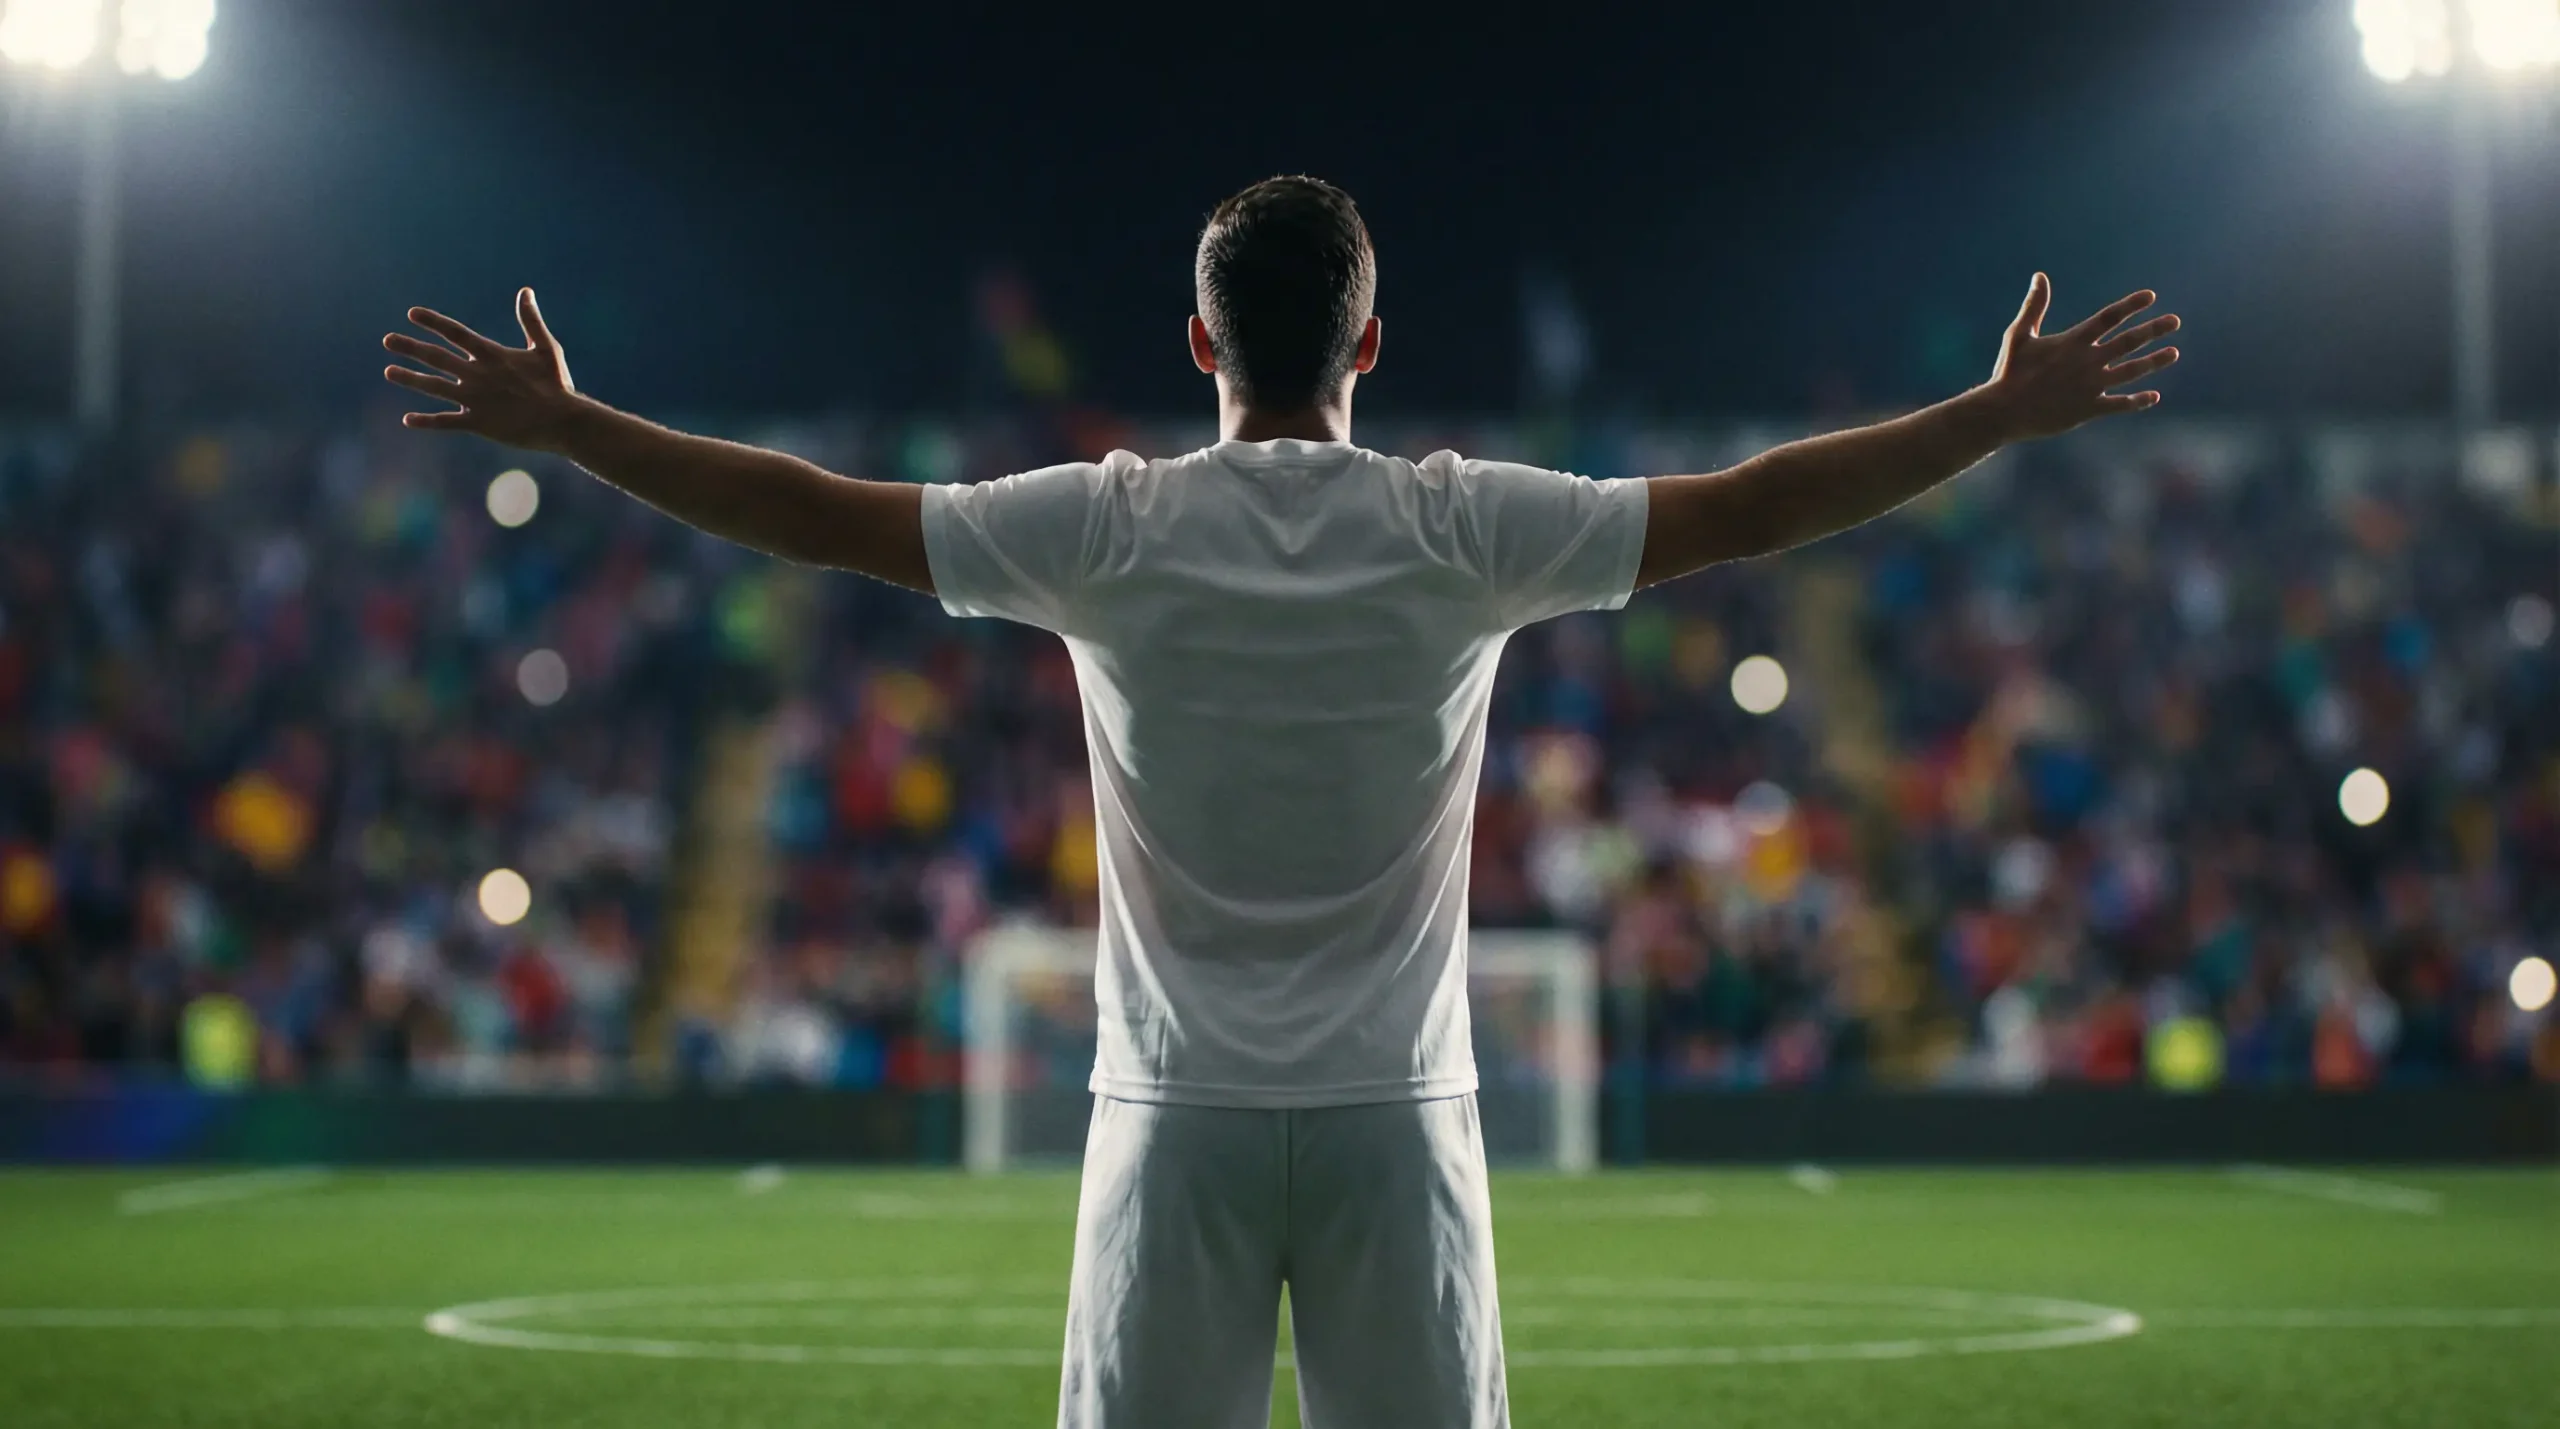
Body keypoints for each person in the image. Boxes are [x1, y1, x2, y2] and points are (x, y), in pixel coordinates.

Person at [383, 174, 2179, 1428]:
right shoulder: (1459, 524)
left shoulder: (1109, 525)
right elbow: (1748, 504)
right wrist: (1985, 419)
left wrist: (580, 428)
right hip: (1404, 1119)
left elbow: (814, 510)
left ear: (1198, 343)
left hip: (1171, 1120)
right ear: (1372, 345)